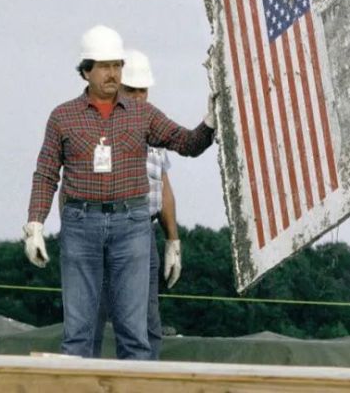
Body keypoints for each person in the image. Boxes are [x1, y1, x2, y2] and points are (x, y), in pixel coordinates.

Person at [23, 25, 214, 360]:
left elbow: (186, 142)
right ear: (85, 70)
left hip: (132, 224)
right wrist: (35, 224)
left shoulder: (142, 113)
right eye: (104, 66)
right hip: (81, 224)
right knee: (78, 334)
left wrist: (210, 122)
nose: (113, 74)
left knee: (134, 333)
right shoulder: (62, 117)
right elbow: (46, 172)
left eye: (117, 65)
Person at [91, 48, 181, 360]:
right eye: (132, 90)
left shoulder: (153, 129)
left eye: (144, 90)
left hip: (145, 230)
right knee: (93, 316)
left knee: (148, 321)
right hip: (106, 229)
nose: (140, 97)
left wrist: (173, 240)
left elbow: (163, 187)